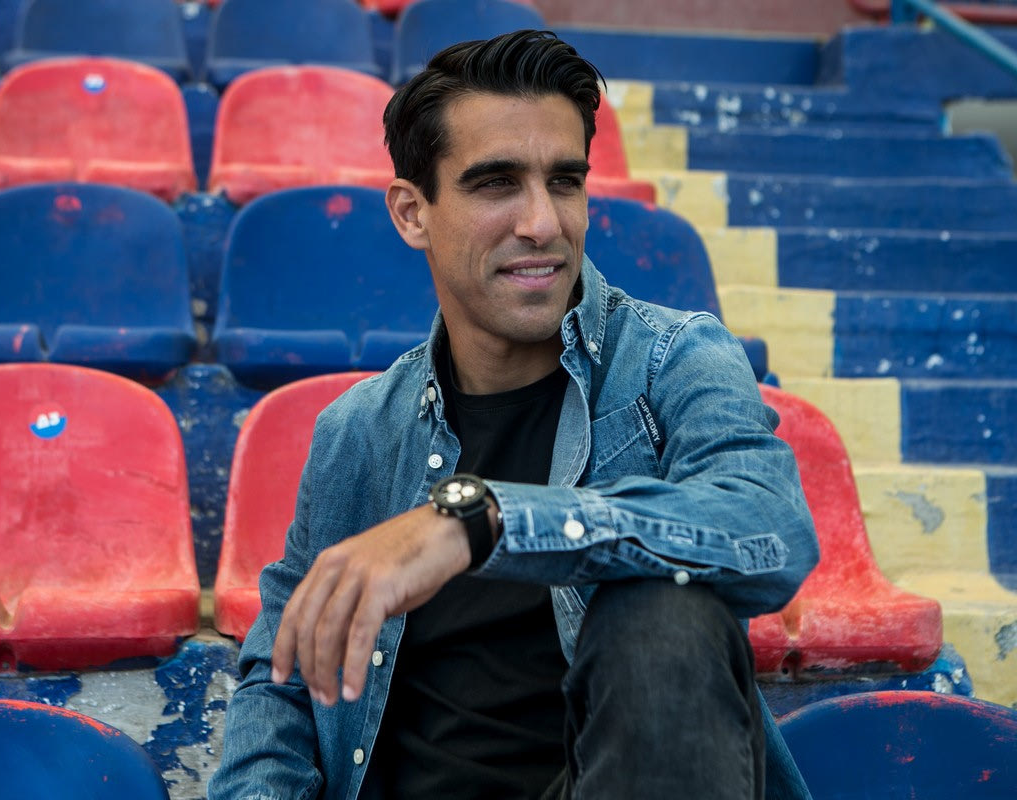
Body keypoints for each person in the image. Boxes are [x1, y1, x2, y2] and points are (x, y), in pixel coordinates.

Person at [210, 29, 820, 800]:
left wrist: (482, 523)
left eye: (564, 181)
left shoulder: (673, 360)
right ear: (412, 213)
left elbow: (771, 530)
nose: (543, 222)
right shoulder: (358, 429)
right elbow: (283, 679)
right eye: (497, 183)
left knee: (663, 615)